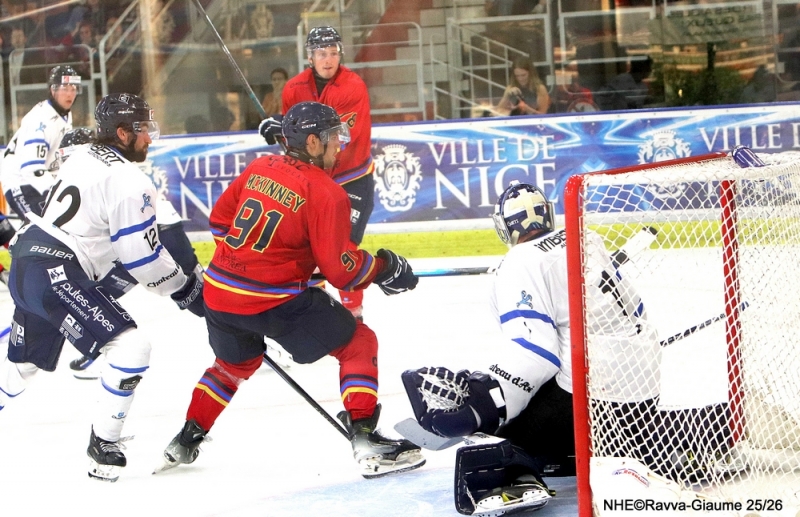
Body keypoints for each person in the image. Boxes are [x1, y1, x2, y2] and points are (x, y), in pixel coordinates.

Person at [402, 181, 730, 515]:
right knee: (628, 433)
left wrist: (487, 403)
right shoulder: (587, 238)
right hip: (642, 376)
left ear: (505, 227)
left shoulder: (521, 262)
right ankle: (717, 425)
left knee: (512, 435)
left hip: (595, 392)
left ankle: (521, 475)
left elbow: (535, 354)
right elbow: (637, 309)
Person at [156, 101, 425, 479]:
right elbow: (341, 270)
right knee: (359, 343)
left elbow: (220, 223)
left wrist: (252, 266)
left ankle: (185, 440)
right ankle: (366, 437)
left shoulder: (258, 167)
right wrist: (385, 268)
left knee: (231, 366)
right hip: (273, 301)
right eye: (333, 138)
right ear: (313, 142)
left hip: (218, 292)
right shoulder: (327, 193)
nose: (340, 146)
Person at [0, 93, 205, 483]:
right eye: (144, 130)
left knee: (19, 367)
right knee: (132, 348)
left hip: (28, 257)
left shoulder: (84, 154)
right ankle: (103, 444)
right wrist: (185, 288)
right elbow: (141, 259)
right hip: (55, 269)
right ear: (124, 133)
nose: (151, 138)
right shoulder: (130, 180)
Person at [52, 127, 205, 380]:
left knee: (202, 301)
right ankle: (100, 349)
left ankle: (256, 339)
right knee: (92, 298)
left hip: (161, 235)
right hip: (141, 241)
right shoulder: (97, 171)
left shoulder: (101, 174)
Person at [275, 26, 375, 323]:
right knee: (306, 254)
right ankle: (311, 317)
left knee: (342, 252)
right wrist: (278, 129)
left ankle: (353, 317)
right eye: (321, 53)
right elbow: (294, 143)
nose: (328, 59)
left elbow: (339, 138)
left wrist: (291, 131)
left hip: (351, 178)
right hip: (312, 182)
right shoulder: (293, 89)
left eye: (333, 53)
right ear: (310, 57)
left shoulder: (353, 86)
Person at [1, 65, 80, 220]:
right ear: (53, 90)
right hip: (20, 182)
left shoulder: (64, 115)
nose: (70, 93)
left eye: (73, 88)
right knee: (44, 226)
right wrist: (56, 192)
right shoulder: (40, 120)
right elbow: (32, 168)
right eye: (65, 88)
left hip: (39, 179)